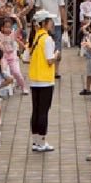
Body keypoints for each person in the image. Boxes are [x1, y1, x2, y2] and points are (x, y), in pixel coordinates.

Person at [27, 13, 59, 153]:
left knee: (36, 110)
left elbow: (26, 57)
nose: (52, 23)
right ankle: (42, 141)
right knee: (43, 112)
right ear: (44, 23)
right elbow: (50, 60)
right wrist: (57, 54)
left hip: (34, 79)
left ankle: (35, 141)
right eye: (50, 21)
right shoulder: (47, 39)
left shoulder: (35, 37)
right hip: (45, 79)